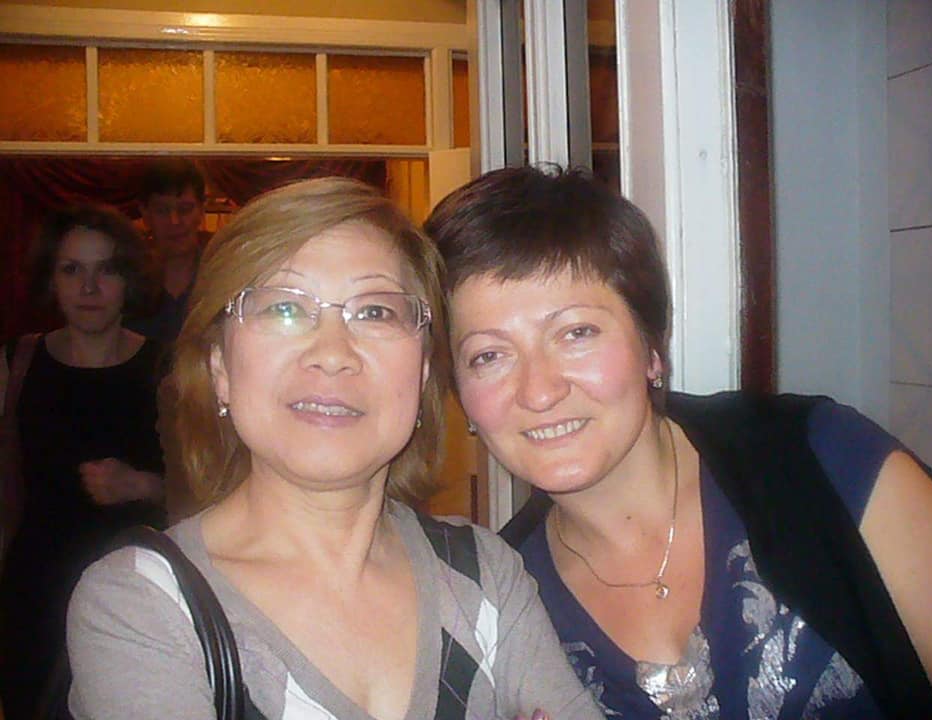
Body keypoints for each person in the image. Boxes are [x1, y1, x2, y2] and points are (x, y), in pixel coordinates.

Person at [424, 165, 932, 719]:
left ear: (652, 348)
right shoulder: (505, 607)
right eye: (488, 356)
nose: (539, 391)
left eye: (576, 333)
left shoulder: (820, 458)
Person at [66, 177, 602, 720]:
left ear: (422, 372)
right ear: (220, 367)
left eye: (375, 313)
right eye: (283, 308)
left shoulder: (485, 575)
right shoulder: (142, 602)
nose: (332, 353)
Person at [0, 204, 166, 719]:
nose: (89, 288)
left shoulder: (167, 368)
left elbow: (213, 489)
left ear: (129, 279)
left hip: (139, 597)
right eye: (72, 269)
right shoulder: (16, 363)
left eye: (106, 270)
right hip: (35, 596)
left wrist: (141, 484)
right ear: (51, 279)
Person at [128, 157, 209, 346]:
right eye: (162, 210)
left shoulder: (220, 279)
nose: (174, 221)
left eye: (185, 209)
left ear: (201, 211)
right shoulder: (126, 284)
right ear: (145, 213)